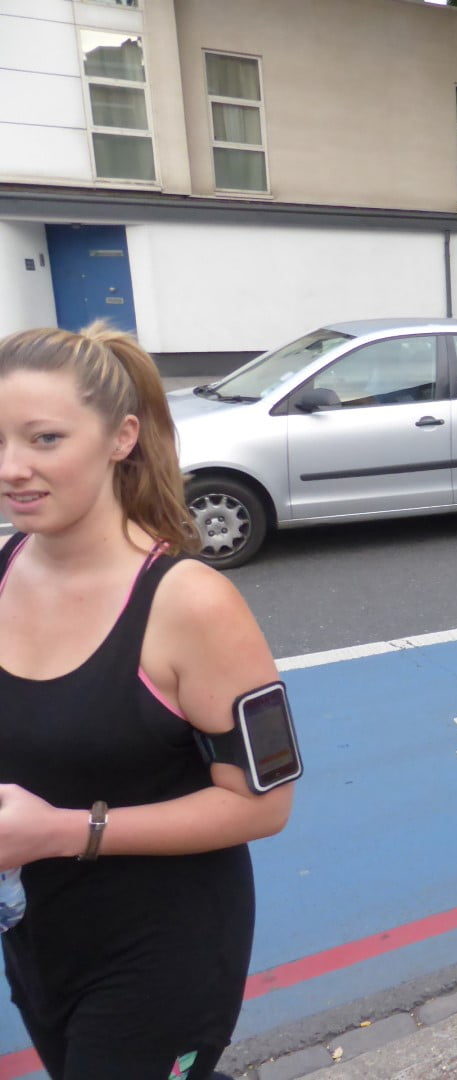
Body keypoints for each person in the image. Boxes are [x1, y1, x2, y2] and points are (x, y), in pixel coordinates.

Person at [0, 324, 295, 1080]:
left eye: (44, 439)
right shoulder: (6, 567)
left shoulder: (192, 603)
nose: (11, 468)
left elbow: (265, 804)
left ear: (121, 437)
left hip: (163, 952)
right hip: (39, 938)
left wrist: (63, 831)